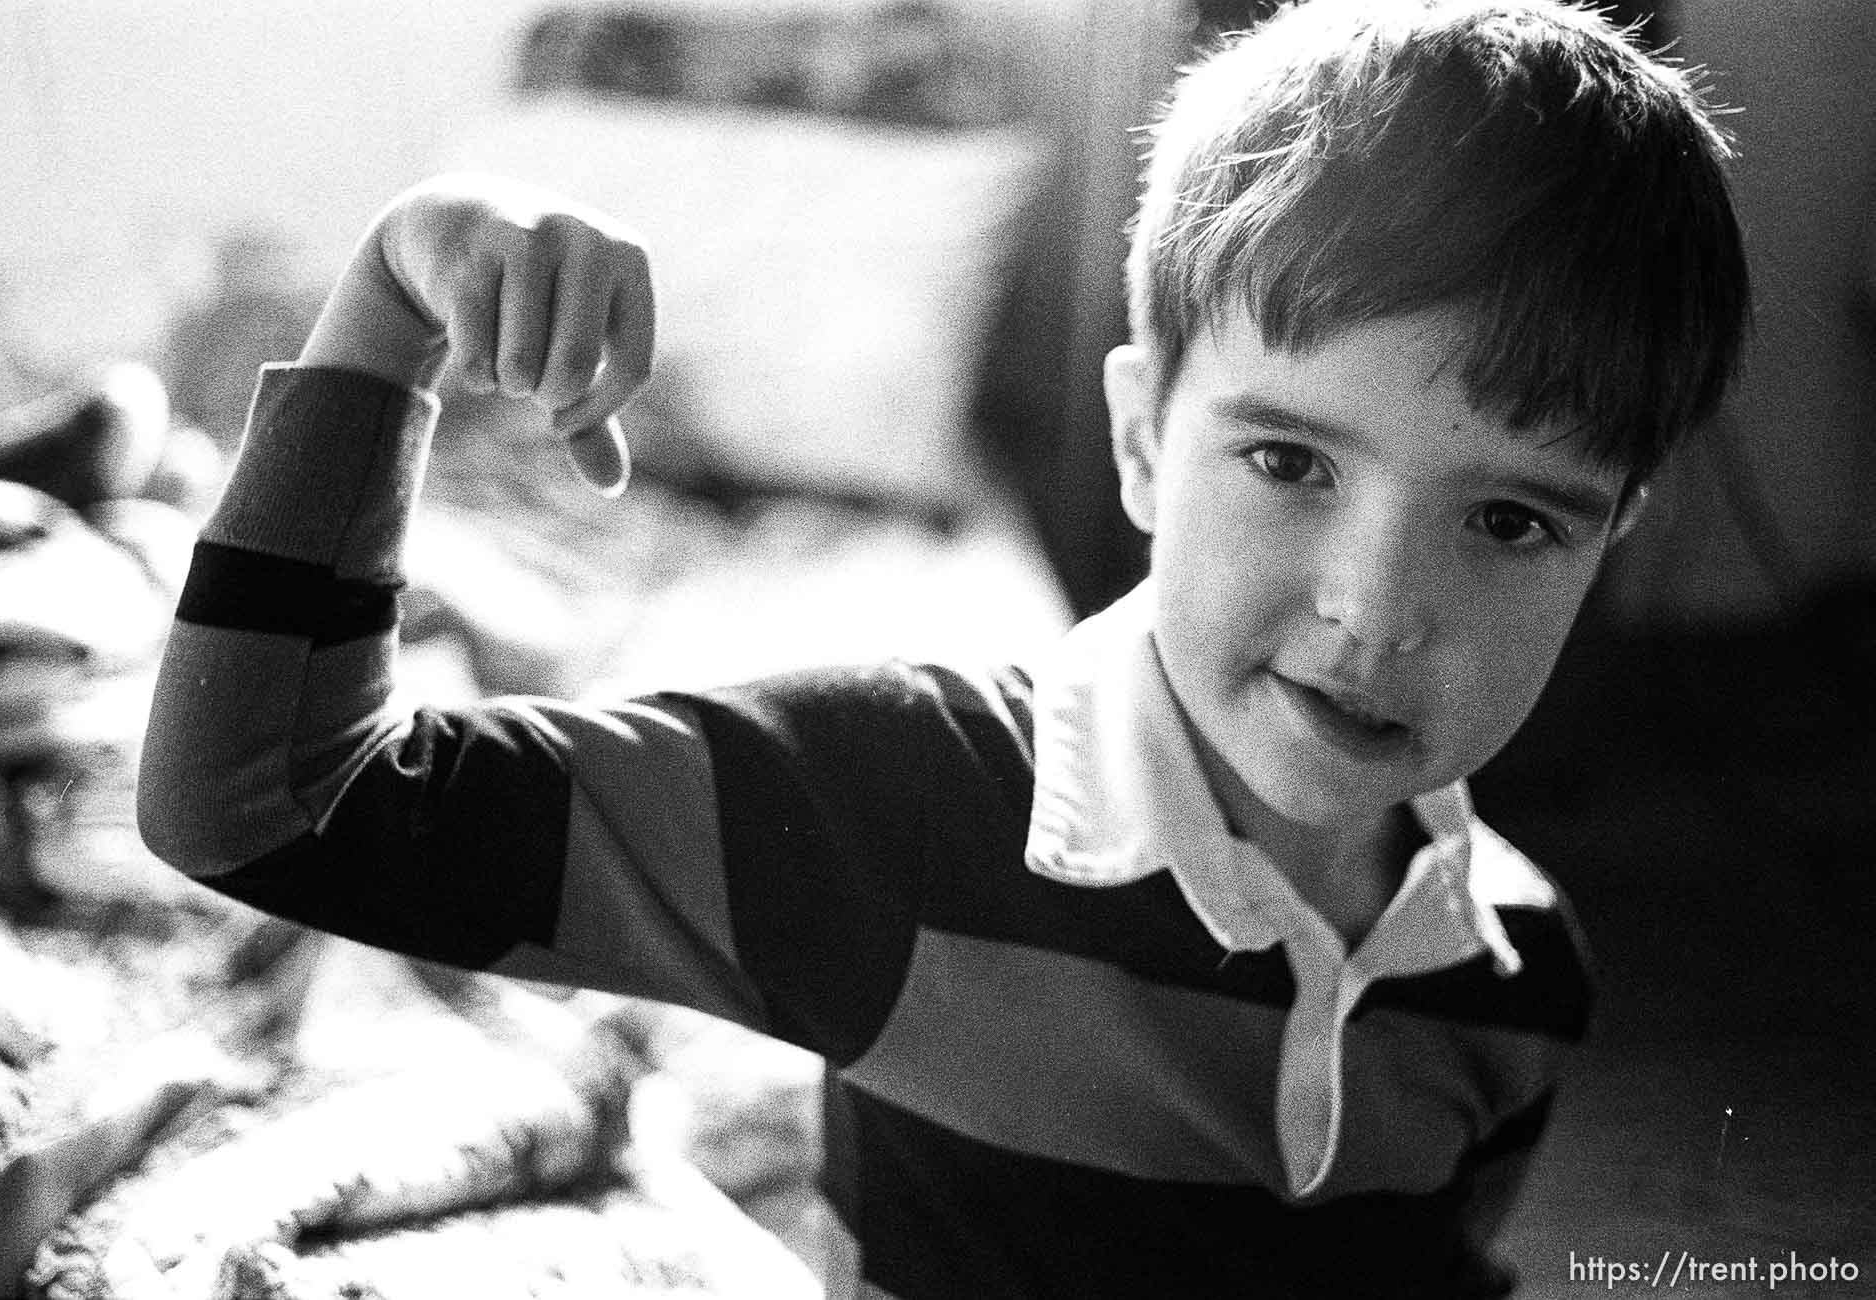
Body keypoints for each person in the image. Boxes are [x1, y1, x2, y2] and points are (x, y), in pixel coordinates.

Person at [137, 0, 1749, 1294]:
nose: (1375, 609)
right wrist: (387, 316)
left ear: (1613, 539)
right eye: (1288, 463)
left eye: (1513, 523)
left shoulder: (1523, 979)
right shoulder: (885, 810)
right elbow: (269, 803)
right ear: (1139, 441)